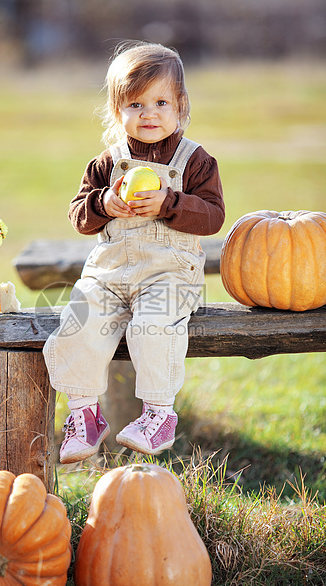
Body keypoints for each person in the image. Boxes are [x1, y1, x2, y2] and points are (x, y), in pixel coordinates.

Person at [43, 40, 225, 464]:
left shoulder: (195, 161)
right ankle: (84, 415)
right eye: (135, 104)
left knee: (154, 326)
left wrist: (170, 203)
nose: (149, 114)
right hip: (109, 275)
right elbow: (78, 215)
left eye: (161, 101)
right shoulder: (107, 163)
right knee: (77, 324)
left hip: (169, 275)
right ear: (117, 110)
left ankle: (159, 415)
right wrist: (103, 204)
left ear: (180, 106)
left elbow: (213, 217)